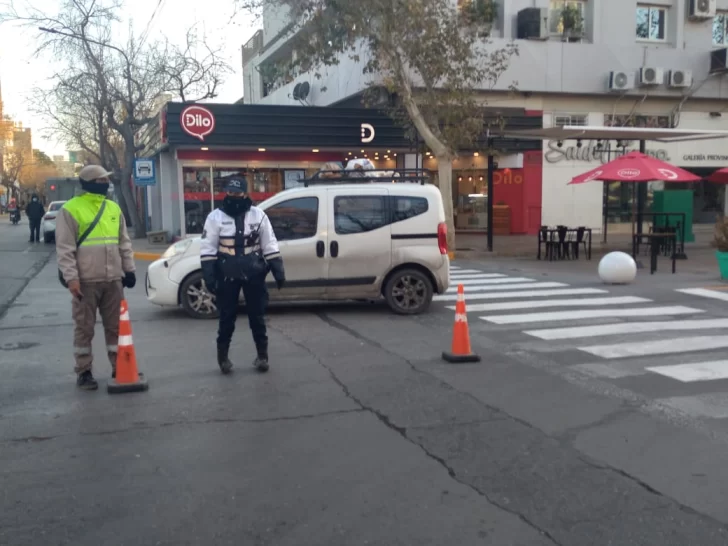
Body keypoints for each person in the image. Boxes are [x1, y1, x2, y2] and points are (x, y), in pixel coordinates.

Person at [55, 165, 137, 391]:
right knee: (84, 329)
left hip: (113, 281)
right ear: (89, 182)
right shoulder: (71, 210)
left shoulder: (113, 208)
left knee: (116, 329)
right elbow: (65, 249)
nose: (105, 184)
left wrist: (129, 270)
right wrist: (72, 279)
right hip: (85, 283)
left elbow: (123, 242)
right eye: (101, 181)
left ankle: (119, 367)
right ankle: (84, 372)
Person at [200, 177, 285, 374]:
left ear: (245, 194)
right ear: (226, 193)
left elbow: (269, 244)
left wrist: (278, 270)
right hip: (226, 273)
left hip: (253, 272)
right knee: (226, 317)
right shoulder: (215, 218)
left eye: (237, 194)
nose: (233, 197)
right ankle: (223, 359)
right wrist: (210, 276)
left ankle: (262, 356)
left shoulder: (259, 215)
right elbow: (208, 248)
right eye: (230, 193)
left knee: (257, 316)